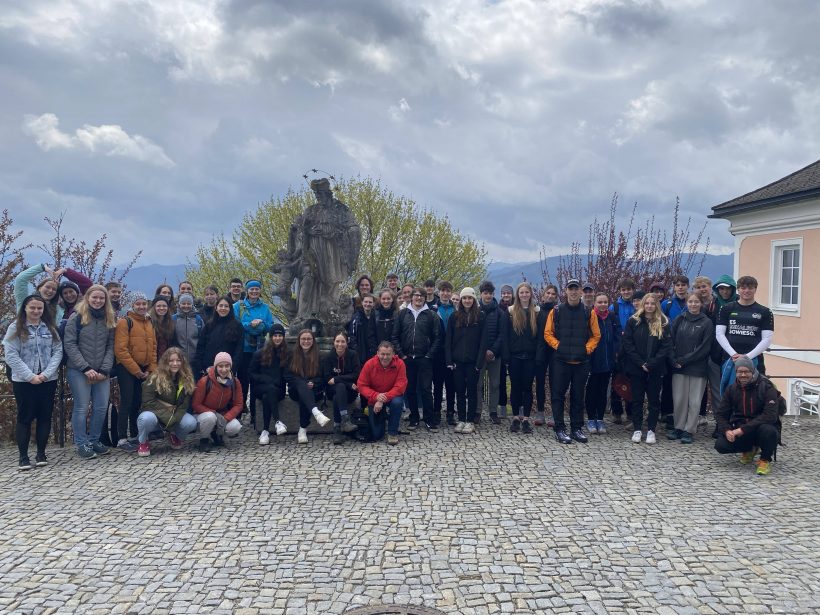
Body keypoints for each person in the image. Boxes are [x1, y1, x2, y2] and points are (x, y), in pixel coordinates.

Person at [3, 295, 63, 470]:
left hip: (47, 379)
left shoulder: (50, 328)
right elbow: (11, 355)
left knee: (45, 416)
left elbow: (57, 351)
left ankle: (41, 453)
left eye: (39, 308)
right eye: (33, 308)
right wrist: (30, 376)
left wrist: (45, 374)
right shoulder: (15, 328)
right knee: (25, 417)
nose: (36, 311)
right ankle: (23, 456)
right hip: (23, 380)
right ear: (25, 309)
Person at [63, 285, 117, 459]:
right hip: (79, 370)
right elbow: (70, 344)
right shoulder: (76, 318)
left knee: (101, 407)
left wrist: (104, 369)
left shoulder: (109, 318)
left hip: (102, 371)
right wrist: (85, 368)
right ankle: (81, 443)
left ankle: (94, 440)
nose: (98, 301)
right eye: (95, 297)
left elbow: (111, 346)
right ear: (87, 297)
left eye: (101, 298)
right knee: (81, 407)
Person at [544, 279, 601, 443]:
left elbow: (596, 336)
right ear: (566, 291)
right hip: (560, 361)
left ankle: (576, 428)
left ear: (581, 291)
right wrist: (558, 346)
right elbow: (548, 333)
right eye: (571, 289)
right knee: (558, 396)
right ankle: (560, 429)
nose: (573, 292)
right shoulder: (556, 311)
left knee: (578, 396)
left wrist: (587, 349)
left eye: (576, 289)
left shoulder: (588, 312)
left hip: (581, 362)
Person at [714, 357, 780, 475]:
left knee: (769, 431)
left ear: (753, 371)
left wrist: (742, 430)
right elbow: (720, 414)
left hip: (761, 428)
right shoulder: (732, 389)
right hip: (741, 428)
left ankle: (765, 459)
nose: (743, 375)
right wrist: (726, 430)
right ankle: (749, 449)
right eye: (740, 372)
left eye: (746, 372)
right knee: (720, 445)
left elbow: (770, 416)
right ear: (736, 373)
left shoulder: (767, 387)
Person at [620, 293, 672, 444]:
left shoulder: (663, 322)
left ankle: (651, 430)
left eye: (652, 303)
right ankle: (637, 429)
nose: (649, 306)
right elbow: (628, 344)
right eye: (647, 303)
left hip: (656, 368)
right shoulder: (633, 321)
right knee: (636, 399)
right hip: (637, 367)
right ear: (643, 304)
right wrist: (640, 363)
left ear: (657, 305)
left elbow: (665, 346)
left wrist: (652, 363)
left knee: (654, 400)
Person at [392, 286, 442, 430]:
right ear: (411, 297)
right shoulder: (402, 314)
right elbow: (395, 336)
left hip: (424, 358)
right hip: (407, 358)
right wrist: (402, 355)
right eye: (416, 295)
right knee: (410, 389)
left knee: (426, 389)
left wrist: (429, 355)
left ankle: (429, 419)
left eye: (421, 296)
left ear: (425, 298)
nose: (418, 298)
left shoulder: (431, 315)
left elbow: (437, 338)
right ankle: (414, 418)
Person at [113, 292, 157, 451]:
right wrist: (136, 370)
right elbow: (121, 350)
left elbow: (153, 348)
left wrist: (151, 368)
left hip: (144, 368)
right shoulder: (125, 322)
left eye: (144, 304)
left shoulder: (149, 321)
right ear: (132, 305)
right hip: (126, 368)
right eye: (138, 304)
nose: (141, 307)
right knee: (126, 401)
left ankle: (135, 434)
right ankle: (121, 438)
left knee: (138, 401)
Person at [669, 293, 715, 443]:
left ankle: (689, 430)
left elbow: (705, 347)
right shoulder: (679, 319)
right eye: (690, 302)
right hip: (678, 366)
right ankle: (678, 427)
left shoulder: (706, 322)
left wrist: (685, 360)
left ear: (701, 304)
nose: (693, 304)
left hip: (697, 367)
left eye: (696, 302)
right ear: (686, 303)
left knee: (695, 401)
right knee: (679, 399)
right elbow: (670, 340)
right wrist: (674, 358)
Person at [135, 347, 198, 456]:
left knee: (191, 423)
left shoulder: (186, 378)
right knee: (145, 419)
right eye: (171, 361)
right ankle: (143, 441)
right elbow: (147, 402)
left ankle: (174, 434)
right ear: (166, 362)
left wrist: (173, 420)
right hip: (154, 413)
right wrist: (168, 418)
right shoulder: (154, 377)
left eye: (178, 360)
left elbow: (184, 405)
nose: (175, 364)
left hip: (174, 414)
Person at [716, 275, 773, 389]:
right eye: (743, 288)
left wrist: (747, 357)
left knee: (755, 393)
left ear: (755, 289)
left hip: (755, 360)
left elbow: (767, 339)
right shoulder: (726, 308)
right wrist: (733, 354)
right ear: (738, 289)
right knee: (729, 393)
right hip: (730, 359)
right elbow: (719, 334)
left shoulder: (765, 311)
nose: (746, 291)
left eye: (750, 288)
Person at [504, 282, 543, 434]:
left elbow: (540, 337)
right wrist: (507, 354)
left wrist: (538, 355)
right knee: (515, 387)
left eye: (527, 292)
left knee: (527, 388)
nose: (524, 295)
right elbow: (506, 335)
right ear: (517, 295)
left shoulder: (536, 312)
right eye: (522, 292)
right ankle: (515, 417)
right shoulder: (511, 312)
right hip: (515, 356)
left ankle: (526, 418)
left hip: (531, 357)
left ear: (530, 294)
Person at [445, 287, 486, 434]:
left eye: (470, 298)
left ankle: (470, 420)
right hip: (457, 362)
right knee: (460, 391)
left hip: (473, 362)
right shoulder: (454, 317)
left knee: (472, 391)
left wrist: (479, 362)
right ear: (461, 300)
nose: (467, 300)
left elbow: (483, 341)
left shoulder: (480, 317)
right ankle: (461, 419)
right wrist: (449, 360)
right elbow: (448, 340)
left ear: (474, 300)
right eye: (464, 298)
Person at [233, 279, 274, 421]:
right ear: (247, 290)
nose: (254, 291)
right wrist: (250, 325)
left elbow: (270, 326)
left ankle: (255, 415)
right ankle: (238, 411)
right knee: (242, 382)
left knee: (257, 381)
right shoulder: (238, 306)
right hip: (243, 349)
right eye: (252, 289)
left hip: (260, 350)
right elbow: (235, 325)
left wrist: (261, 324)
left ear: (260, 290)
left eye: (257, 289)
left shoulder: (265, 308)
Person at [356, 341, 407, 445]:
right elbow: (361, 385)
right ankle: (382, 421)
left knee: (397, 403)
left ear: (393, 354)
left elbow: (400, 386)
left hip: (392, 396)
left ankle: (392, 432)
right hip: (374, 397)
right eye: (382, 354)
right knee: (377, 435)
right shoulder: (369, 364)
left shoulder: (400, 364)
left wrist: (383, 398)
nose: (385, 357)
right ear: (377, 353)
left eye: (388, 354)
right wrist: (376, 397)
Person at [285, 329, 331, 443]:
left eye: (309, 339)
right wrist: (303, 383)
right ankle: (316, 412)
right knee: (301, 383)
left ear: (313, 341)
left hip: (315, 391)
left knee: (304, 396)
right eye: (303, 339)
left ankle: (302, 429)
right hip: (295, 390)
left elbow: (323, 377)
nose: (306, 341)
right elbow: (287, 376)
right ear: (299, 341)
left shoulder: (320, 356)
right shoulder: (291, 355)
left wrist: (314, 383)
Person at [191, 352, 244, 452]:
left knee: (235, 426)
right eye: (220, 366)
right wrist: (214, 414)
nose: (224, 369)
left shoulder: (235, 382)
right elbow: (196, 404)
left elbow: (239, 404)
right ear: (215, 367)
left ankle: (216, 434)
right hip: (203, 414)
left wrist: (226, 418)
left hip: (223, 413)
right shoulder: (205, 381)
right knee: (210, 417)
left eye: (227, 366)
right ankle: (204, 440)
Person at [586, 292, 620, 435]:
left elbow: (617, 336)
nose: (602, 304)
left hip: (608, 361)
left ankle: (600, 418)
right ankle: (590, 418)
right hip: (593, 360)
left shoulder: (612, 317)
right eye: (600, 302)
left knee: (602, 392)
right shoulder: (590, 316)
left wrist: (616, 354)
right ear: (594, 303)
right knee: (591, 391)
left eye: (605, 302)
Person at [249, 324, 289, 444]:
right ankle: (277, 421)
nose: (277, 338)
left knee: (269, 395)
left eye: (280, 336)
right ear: (271, 337)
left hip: (278, 389)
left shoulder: (286, 354)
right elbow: (251, 373)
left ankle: (265, 431)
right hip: (261, 387)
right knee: (268, 391)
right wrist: (266, 379)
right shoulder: (259, 353)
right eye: (275, 335)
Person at [14, 264, 92, 324]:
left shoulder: (59, 309)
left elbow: (87, 284)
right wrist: (43, 267)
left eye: (54, 289)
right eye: (47, 287)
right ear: (40, 288)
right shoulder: (25, 303)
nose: (50, 291)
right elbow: (20, 280)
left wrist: (65, 271)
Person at [321, 331, 362, 444]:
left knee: (337, 395)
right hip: (333, 389)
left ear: (347, 342)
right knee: (339, 387)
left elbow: (356, 374)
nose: (340, 344)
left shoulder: (353, 355)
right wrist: (347, 382)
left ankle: (337, 428)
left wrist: (338, 379)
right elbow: (328, 379)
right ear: (333, 342)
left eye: (342, 341)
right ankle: (345, 419)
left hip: (350, 392)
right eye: (337, 341)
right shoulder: (328, 357)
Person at [476, 280, 506, 424]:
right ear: (481, 294)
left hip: (495, 354)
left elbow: (502, 334)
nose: (487, 296)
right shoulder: (475, 311)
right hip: (479, 356)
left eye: (490, 293)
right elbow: (474, 335)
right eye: (485, 293)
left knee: (495, 384)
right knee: (478, 385)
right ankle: (477, 411)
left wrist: (493, 350)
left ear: (493, 294)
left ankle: (493, 411)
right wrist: (482, 351)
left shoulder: (499, 312)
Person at [193, 296, 244, 380]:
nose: (223, 308)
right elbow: (201, 347)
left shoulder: (237, 326)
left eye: (226, 306)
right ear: (216, 308)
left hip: (227, 370)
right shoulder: (209, 325)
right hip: (209, 369)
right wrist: (202, 367)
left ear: (230, 308)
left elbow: (238, 351)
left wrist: (232, 369)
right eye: (221, 306)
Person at [609, 278, 636, 424]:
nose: (626, 292)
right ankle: (617, 412)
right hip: (618, 348)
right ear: (620, 291)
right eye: (623, 289)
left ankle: (631, 412)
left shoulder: (637, 305)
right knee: (616, 380)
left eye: (629, 289)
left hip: (633, 348)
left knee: (631, 380)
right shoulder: (614, 307)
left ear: (633, 290)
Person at [433, 281, 456, 426]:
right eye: (443, 291)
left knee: (451, 385)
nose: (445, 293)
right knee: (437, 384)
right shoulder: (433, 310)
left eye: (448, 291)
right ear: (439, 292)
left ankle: (450, 413)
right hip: (438, 351)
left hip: (453, 351)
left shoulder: (456, 310)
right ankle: (436, 412)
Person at [534, 284, 557, 426]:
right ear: (543, 295)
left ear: (556, 297)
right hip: (540, 351)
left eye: (553, 294)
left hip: (555, 351)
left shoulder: (558, 311)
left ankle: (555, 414)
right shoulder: (537, 312)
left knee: (555, 383)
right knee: (540, 383)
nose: (550, 295)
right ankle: (540, 412)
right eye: (547, 293)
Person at [497, 284, 514, 420]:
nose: (506, 295)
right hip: (501, 350)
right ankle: (502, 406)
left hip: (515, 349)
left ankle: (517, 407)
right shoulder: (497, 309)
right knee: (501, 380)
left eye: (508, 293)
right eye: (504, 293)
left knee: (516, 381)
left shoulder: (517, 308)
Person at [348, 293, 378, 362]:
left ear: (373, 304)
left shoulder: (377, 317)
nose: (368, 304)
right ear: (362, 303)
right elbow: (352, 335)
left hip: (373, 352)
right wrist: (356, 350)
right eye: (366, 302)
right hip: (360, 352)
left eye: (370, 302)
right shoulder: (356, 317)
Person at [149, 296, 177, 362]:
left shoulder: (171, 324)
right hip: (151, 361)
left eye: (164, 306)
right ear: (154, 307)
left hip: (167, 361)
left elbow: (174, 344)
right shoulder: (149, 322)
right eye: (158, 306)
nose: (161, 308)